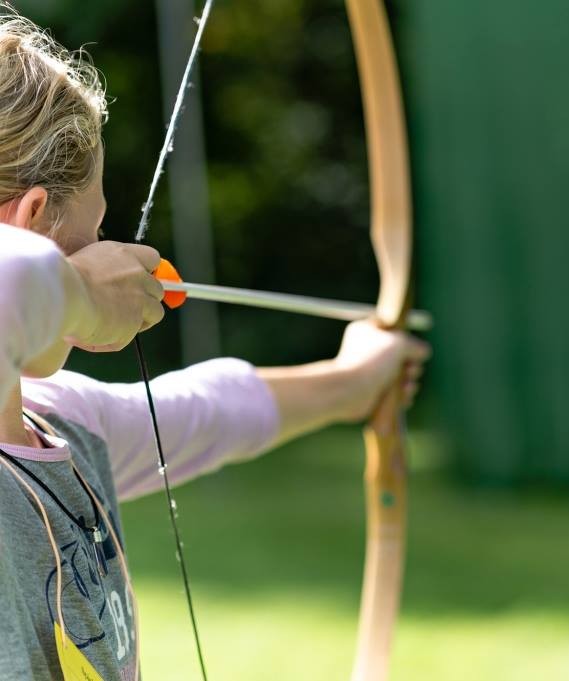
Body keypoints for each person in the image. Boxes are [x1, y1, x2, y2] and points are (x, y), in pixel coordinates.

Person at [0, 9, 430, 680]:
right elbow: (18, 278)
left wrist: (355, 380)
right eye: (95, 233)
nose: (105, 253)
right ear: (30, 217)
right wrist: (83, 293)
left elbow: (207, 410)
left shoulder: (61, 422)